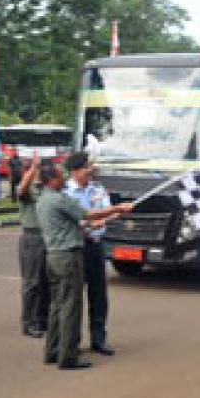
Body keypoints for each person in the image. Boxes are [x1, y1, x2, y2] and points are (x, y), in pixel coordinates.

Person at [36, 163, 132, 370]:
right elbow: (87, 214)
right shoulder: (60, 199)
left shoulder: (43, 199)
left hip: (53, 255)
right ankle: (68, 355)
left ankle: (52, 350)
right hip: (68, 255)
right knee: (71, 306)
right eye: (60, 175)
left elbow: (74, 223)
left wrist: (90, 224)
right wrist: (117, 208)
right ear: (52, 179)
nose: (63, 179)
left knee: (57, 305)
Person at [63, 152, 114, 355]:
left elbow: (107, 210)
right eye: (86, 167)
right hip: (76, 248)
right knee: (73, 297)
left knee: (99, 295)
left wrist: (103, 219)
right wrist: (89, 222)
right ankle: (72, 341)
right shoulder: (65, 192)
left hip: (96, 245)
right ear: (74, 171)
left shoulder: (97, 188)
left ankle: (99, 338)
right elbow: (68, 220)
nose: (90, 170)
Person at [18, 153, 49, 338]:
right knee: (32, 282)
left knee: (45, 282)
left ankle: (42, 319)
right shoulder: (25, 190)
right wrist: (33, 168)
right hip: (32, 238)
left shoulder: (44, 189)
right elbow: (22, 189)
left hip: (47, 237)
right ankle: (29, 322)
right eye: (30, 168)